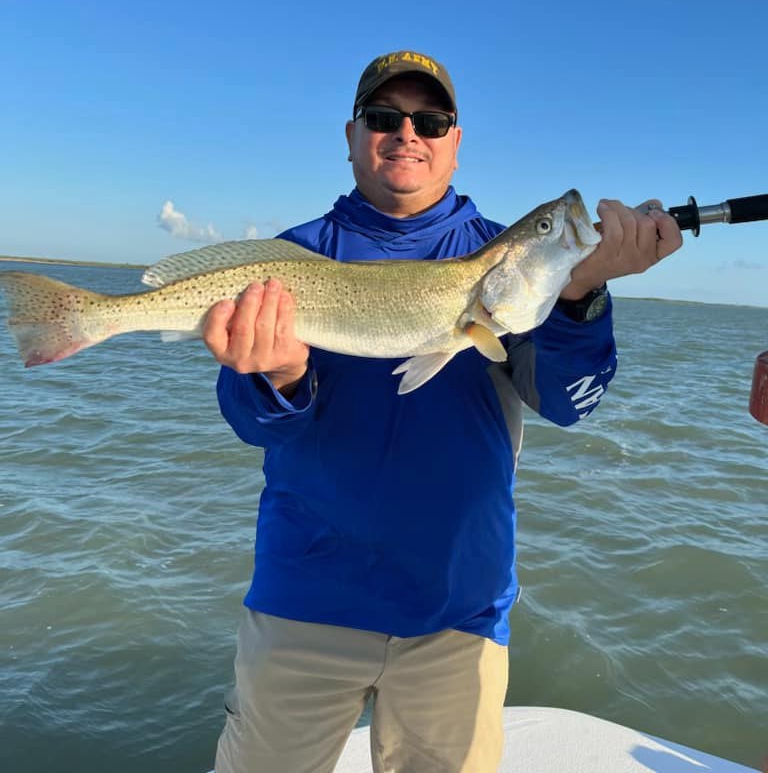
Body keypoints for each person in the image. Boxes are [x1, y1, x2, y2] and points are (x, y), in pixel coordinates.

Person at [203, 50, 683, 773]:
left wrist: (579, 298)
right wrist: (279, 373)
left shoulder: (507, 265)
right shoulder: (291, 258)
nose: (407, 133)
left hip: (458, 611)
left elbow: (566, 403)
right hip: (304, 599)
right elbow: (252, 422)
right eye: (384, 116)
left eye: (430, 120)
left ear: (455, 143)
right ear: (352, 134)